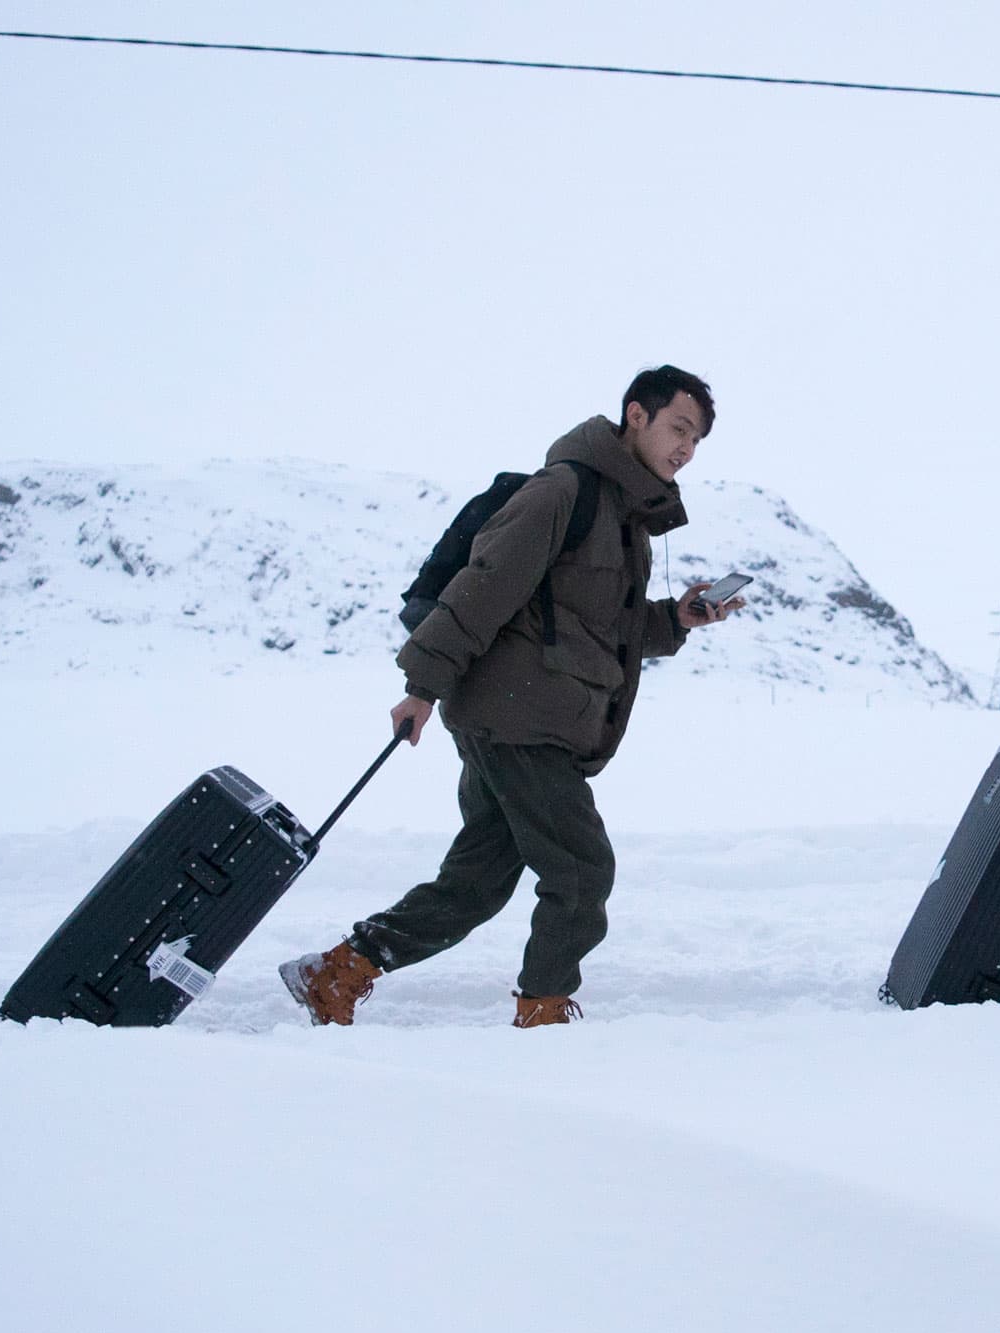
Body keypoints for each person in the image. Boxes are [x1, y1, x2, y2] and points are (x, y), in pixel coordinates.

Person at [280, 366, 745, 1029]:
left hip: (532, 717)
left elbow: (603, 628)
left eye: (697, 439)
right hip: (518, 718)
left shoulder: (624, 519)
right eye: (679, 428)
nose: (686, 449)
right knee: (582, 870)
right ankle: (544, 1015)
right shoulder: (565, 492)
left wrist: (678, 618)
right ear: (636, 416)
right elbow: (485, 585)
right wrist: (422, 687)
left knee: (474, 885)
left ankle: (335, 972)